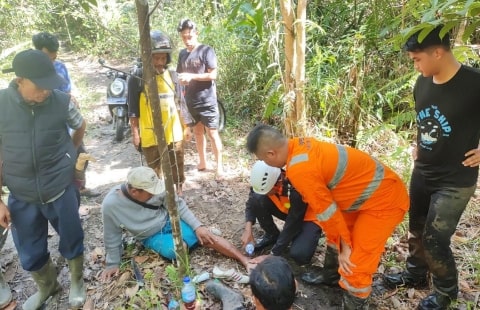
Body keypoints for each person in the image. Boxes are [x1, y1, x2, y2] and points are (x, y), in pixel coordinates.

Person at [246, 124, 410, 309]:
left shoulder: (300, 169)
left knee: (355, 262)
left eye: (263, 159)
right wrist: (341, 242)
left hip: (383, 201)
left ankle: (354, 302)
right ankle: (331, 276)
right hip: (359, 199)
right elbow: (329, 213)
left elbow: (327, 212)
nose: (265, 164)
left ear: (271, 153)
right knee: (337, 240)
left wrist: (346, 245)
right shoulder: (299, 145)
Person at [383, 25, 480, 310]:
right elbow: (425, 119)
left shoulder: (474, 83)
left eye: (417, 59)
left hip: (455, 179)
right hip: (423, 171)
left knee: (435, 239)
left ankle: (446, 293)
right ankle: (415, 275)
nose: (415, 65)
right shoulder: (422, 82)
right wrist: (418, 144)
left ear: (437, 52)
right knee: (416, 229)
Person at [0, 49, 87, 309]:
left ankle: (77, 282)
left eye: (50, 85)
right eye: (40, 86)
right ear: (20, 81)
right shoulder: (1, 105)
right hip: (21, 192)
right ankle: (47, 286)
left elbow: (80, 125)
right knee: (29, 248)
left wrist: (69, 157)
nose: (46, 91)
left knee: (71, 236)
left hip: (60, 186)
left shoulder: (61, 102)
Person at [100, 166, 252, 282]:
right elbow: (112, 235)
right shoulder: (111, 205)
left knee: (205, 236)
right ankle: (190, 239)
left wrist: (197, 226)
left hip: (169, 220)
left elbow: (178, 205)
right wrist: (112, 263)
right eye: (150, 193)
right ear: (134, 192)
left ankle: (243, 259)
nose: (155, 194)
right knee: (179, 249)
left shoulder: (153, 187)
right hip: (150, 236)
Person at [32, 31, 98, 197]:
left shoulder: (60, 67)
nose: (51, 62)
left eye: (53, 58)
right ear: (37, 52)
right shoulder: (29, 71)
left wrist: (70, 98)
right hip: (48, 126)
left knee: (80, 155)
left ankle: (79, 187)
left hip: (66, 120)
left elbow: (66, 91)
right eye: (48, 58)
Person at [128, 30, 192, 196]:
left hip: (173, 129)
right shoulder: (137, 77)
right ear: (147, 57)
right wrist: (135, 133)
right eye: (156, 58)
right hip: (150, 132)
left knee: (176, 161)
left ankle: (178, 189)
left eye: (163, 58)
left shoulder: (172, 75)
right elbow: (133, 109)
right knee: (153, 166)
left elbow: (180, 103)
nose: (160, 62)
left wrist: (186, 126)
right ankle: (156, 193)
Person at [242, 160, 323, 266]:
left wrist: (273, 254)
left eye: (267, 191)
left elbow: (293, 222)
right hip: (289, 210)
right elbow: (252, 199)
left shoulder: (296, 188)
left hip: (309, 217)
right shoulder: (263, 180)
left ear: (276, 184)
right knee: (257, 198)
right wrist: (248, 230)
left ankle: (304, 235)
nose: (265, 194)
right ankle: (272, 235)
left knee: (299, 255)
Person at [176, 18, 224, 177]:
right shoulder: (182, 54)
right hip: (191, 101)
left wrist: (191, 76)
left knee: (212, 133)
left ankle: (219, 166)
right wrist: (182, 80)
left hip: (207, 100)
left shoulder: (206, 50)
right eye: (183, 37)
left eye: (189, 36)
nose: (187, 40)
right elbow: (179, 75)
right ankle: (202, 162)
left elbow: (213, 75)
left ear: (196, 34)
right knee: (197, 132)